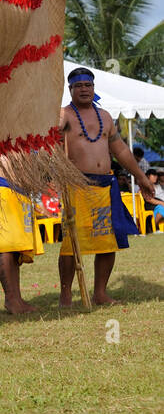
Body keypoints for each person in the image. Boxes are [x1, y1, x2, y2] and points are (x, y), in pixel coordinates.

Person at [58, 67, 152, 306]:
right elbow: (51, 147)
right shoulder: (63, 116)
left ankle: (100, 293)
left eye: (88, 85)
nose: (84, 89)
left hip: (104, 188)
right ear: (70, 89)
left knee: (107, 240)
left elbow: (120, 150)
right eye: (78, 86)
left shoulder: (106, 117)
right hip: (76, 186)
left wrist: (140, 176)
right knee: (72, 242)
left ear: (93, 88)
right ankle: (66, 294)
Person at [0, 151, 42, 315]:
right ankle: (11, 299)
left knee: (15, 247)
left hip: (20, 190)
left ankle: (17, 297)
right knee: (4, 245)